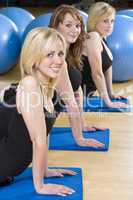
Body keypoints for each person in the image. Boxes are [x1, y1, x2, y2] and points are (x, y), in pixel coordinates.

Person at [0, 27, 77, 196]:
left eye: (60, 53)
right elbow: (38, 139)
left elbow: (45, 132)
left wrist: (45, 169)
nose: (58, 60)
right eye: (50, 55)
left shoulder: (48, 88)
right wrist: (40, 186)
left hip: (9, 169)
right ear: (34, 57)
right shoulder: (30, 84)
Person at [49, 4, 105, 147]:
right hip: (30, 119)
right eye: (68, 25)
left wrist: (82, 124)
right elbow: (70, 102)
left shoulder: (69, 53)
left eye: (78, 26)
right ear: (55, 27)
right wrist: (80, 139)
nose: (75, 30)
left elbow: (77, 91)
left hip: (44, 118)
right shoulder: (55, 56)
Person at [81, 2, 127, 108]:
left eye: (112, 21)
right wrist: (108, 103)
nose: (110, 25)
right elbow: (96, 73)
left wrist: (111, 94)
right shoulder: (93, 37)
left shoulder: (102, 37)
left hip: (86, 94)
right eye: (105, 21)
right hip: (74, 96)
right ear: (95, 21)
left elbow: (107, 67)